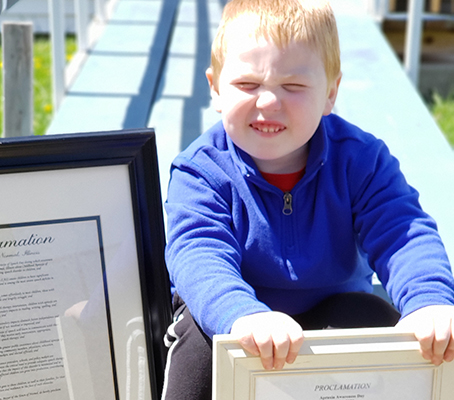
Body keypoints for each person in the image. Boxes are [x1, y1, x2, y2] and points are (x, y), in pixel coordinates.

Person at [161, 0, 454, 399]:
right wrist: (241, 314)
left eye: (293, 86)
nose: (268, 102)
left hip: (333, 308)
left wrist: (429, 301)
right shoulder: (201, 171)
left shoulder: (360, 160)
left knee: (375, 320)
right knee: (196, 344)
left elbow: (402, 232)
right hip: (234, 318)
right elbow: (197, 252)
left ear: (330, 93)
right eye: (248, 85)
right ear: (215, 88)